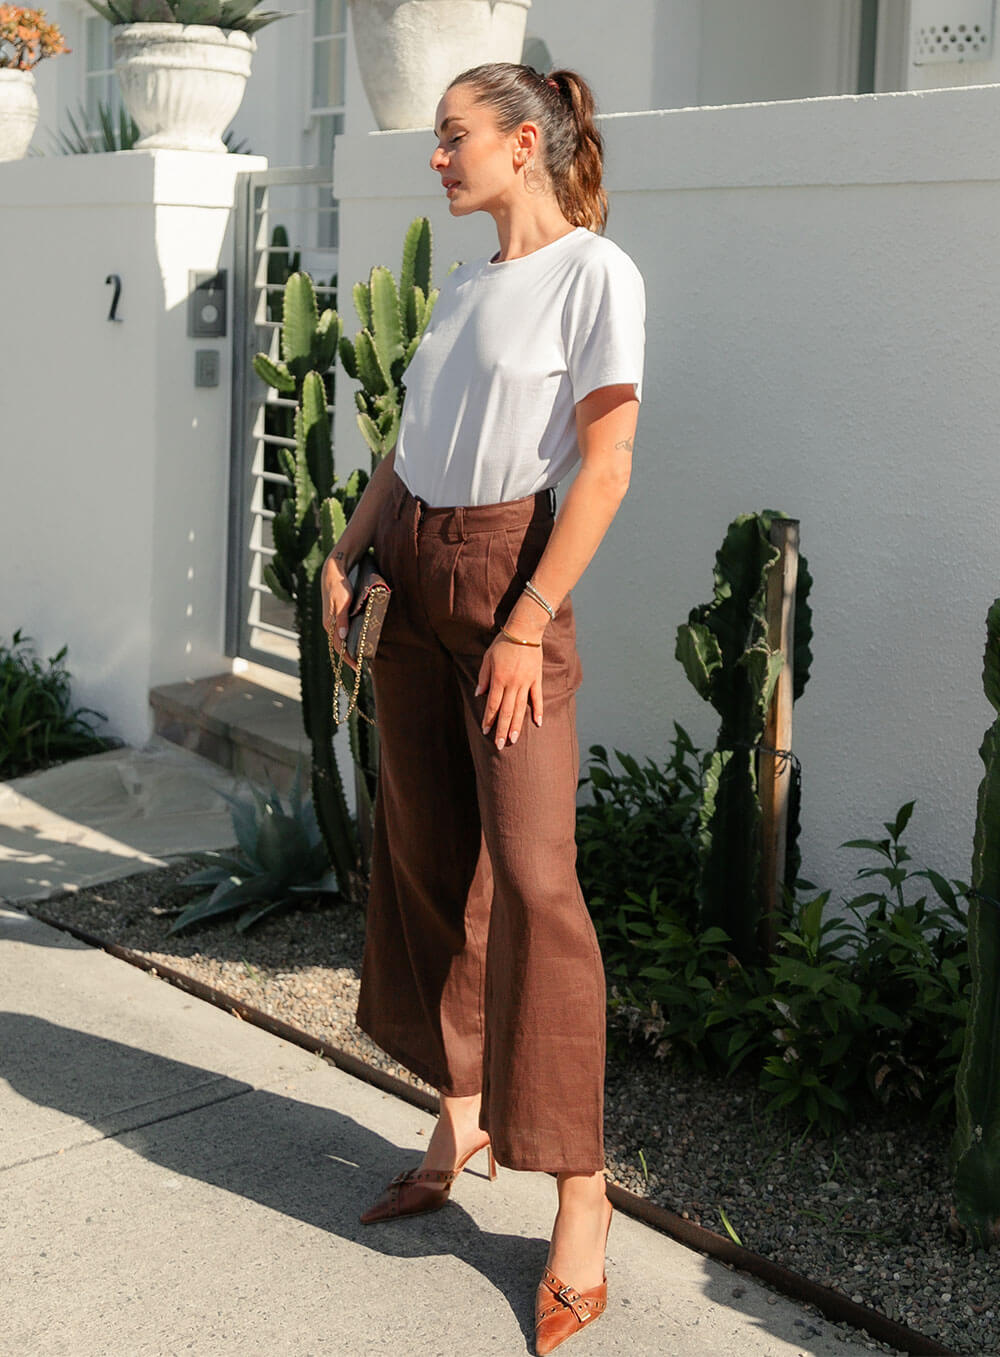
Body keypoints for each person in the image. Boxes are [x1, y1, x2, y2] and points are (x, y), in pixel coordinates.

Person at [321, 60, 645, 1355]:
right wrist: (350, 554)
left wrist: (526, 620)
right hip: (410, 572)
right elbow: (407, 450)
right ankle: (460, 1104)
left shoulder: (593, 275)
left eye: (454, 139)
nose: (437, 158)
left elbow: (609, 464)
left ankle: (580, 1185)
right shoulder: (463, 290)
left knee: (532, 876)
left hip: (512, 583)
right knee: (421, 853)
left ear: (524, 144)